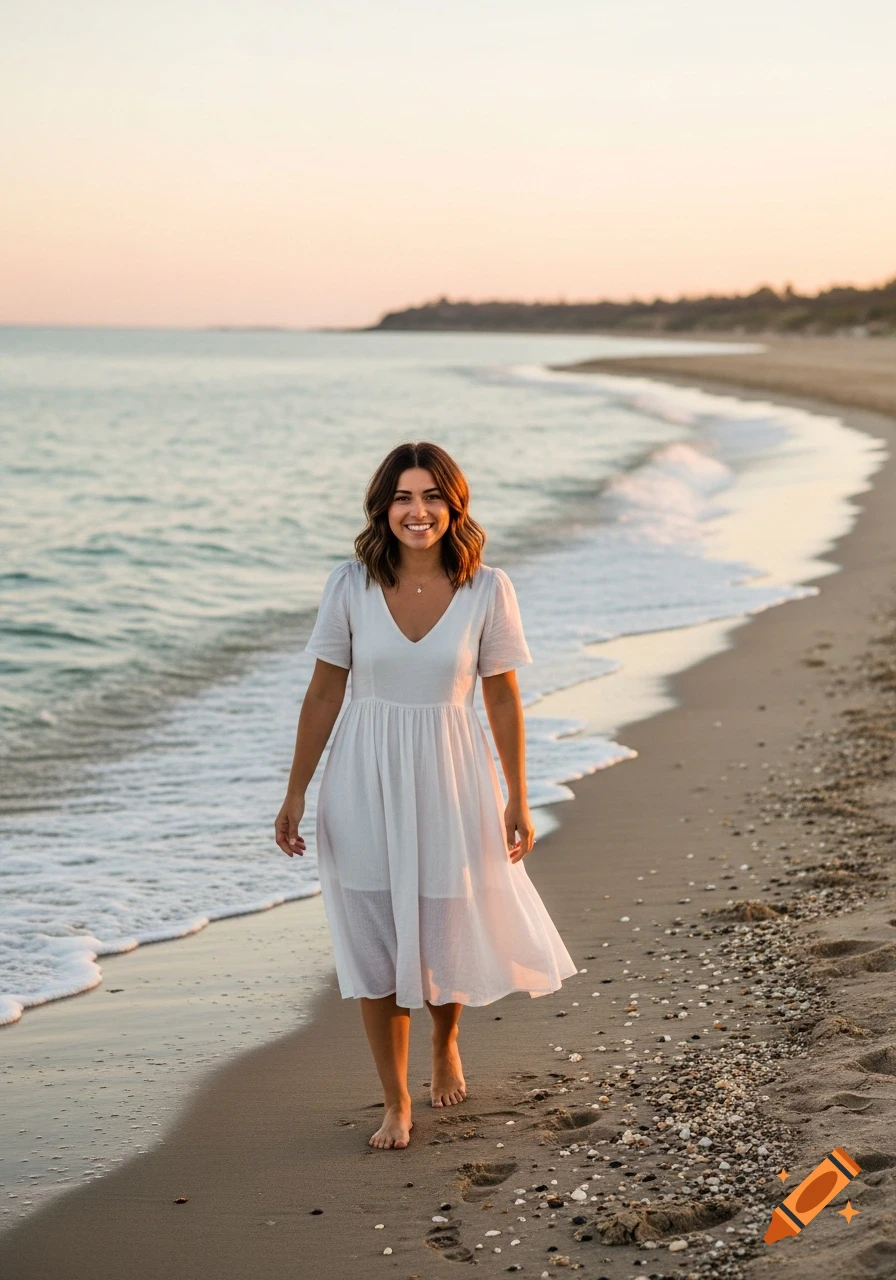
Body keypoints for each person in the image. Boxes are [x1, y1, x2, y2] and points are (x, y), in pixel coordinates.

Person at [274, 441, 577, 1150]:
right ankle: (394, 1100)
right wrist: (296, 792)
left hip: (452, 774)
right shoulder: (348, 586)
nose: (419, 511)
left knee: (442, 928)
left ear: (454, 504)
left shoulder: (486, 588)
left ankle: (445, 1042)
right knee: (375, 938)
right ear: (383, 505)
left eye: (433, 496)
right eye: (405, 497)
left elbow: (502, 698)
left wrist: (517, 797)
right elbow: (324, 692)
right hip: (363, 777)